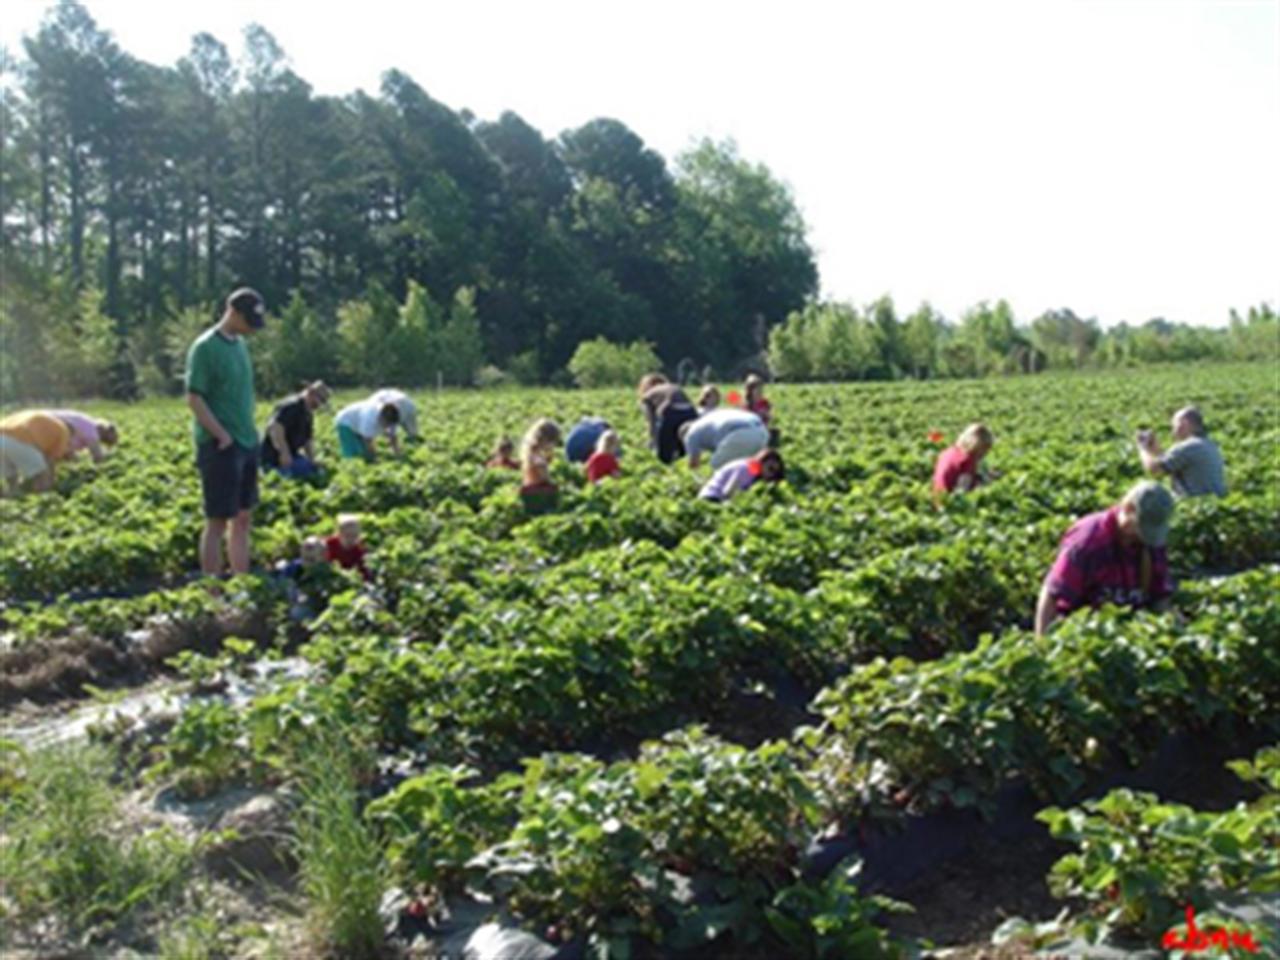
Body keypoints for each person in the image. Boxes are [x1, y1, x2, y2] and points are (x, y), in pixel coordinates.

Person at [185, 288, 266, 577]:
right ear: (232, 312)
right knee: (218, 521)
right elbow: (195, 398)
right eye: (248, 321)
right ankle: (212, 591)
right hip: (220, 445)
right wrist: (221, 435)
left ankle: (241, 584)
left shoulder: (240, 344)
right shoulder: (205, 347)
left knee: (243, 518)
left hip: (246, 440)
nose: (251, 330)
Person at [1034, 481, 1175, 637]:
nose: (1143, 536)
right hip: (1083, 634)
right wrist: (1043, 645)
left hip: (1134, 631)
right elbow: (1053, 594)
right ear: (1128, 509)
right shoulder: (1087, 541)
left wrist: (1170, 629)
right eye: (1141, 527)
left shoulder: (1151, 543)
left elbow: (1160, 595)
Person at [1135, 406, 1226, 498]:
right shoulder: (1209, 444)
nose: (1172, 432)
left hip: (1192, 502)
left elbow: (1155, 470)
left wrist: (1142, 448)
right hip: (1212, 500)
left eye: (1174, 426)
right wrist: (1153, 447)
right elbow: (1168, 462)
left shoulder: (1189, 446)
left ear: (1184, 424)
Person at [261, 381, 330, 478]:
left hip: (292, 456)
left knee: (314, 470)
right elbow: (275, 427)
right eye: (319, 400)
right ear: (310, 393)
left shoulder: (307, 413)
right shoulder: (292, 405)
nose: (318, 405)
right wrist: (284, 452)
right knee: (285, 476)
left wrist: (312, 459)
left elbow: (308, 438)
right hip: (274, 457)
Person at [0, 411, 72, 495]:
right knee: (42, 475)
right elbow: (51, 460)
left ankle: (11, 495)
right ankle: (43, 499)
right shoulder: (64, 432)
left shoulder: (47, 423)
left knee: (11, 476)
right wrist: (51, 480)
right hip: (19, 439)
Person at [679, 407, 770, 469]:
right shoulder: (706, 421)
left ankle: (719, 495)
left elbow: (694, 465)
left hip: (741, 433)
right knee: (749, 466)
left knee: (716, 466)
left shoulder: (691, 434)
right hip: (762, 430)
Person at [638, 374, 698, 464]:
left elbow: (651, 421)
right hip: (690, 412)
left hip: (671, 412)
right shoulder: (673, 387)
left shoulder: (647, 397)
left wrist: (652, 439)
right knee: (684, 449)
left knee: (664, 455)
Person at [699, 449, 786, 502]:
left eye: (774, 472)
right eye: (770, 468)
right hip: (711, 497)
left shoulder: (753, 471)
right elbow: (728, 492)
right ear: (761, 462)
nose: (771, 474)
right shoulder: (746, 469)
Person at [933, 423, 997, 495]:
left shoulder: (949, 451)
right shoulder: (968, 460)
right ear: (977, 446)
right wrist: (986, 483)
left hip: (937, 495)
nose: (986, 453)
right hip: (950, 500)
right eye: (985, 448)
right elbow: (962, 491)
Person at [334, 398, 401, 461]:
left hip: (358, 423)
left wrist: (397, 453)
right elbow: (368, 441)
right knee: (352, 451)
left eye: (389, 424)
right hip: (345, 421)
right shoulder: (369, 418)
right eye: (386, 424)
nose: (387, 426)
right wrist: (373, 457)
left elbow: (393, 436)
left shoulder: (393, 418)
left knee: (362, 451)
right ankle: (349, 464)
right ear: (381, 418)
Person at [49, 411, 118, 464]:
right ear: (104, 430)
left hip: (45, 423)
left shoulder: (85, 426)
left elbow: (68, 453)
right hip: (47, 426)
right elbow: (98, 457)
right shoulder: (91, 430)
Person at [521, 418, 562, 493]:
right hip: (538, 494)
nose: (553, 446)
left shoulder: (533, 453)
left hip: (532, 491)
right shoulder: (538, 458)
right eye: (553, 442)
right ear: (545, 440)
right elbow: (544, 479)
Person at [326, 513, 371, 581]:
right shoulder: (327, 545)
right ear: (339, 533)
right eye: (348, 535)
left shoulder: (361, 550)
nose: (352, 539)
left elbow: (365, 575)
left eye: (355, 535)